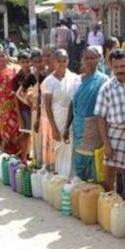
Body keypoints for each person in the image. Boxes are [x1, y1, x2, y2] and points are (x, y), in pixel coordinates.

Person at [95, 49, 125, 197]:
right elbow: (100, 117)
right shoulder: (106, 88)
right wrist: (106, 144)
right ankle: (108, 206)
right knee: (109, 176)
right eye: (116, 67)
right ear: (111, 66)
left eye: (122, 66)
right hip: (113, 134)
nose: (119, 70)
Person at [69, 47, 109, 181]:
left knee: (93, 161)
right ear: (82, 60)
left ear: (98, 60)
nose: (90, 61)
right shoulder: (76, 81)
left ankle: (93, 193)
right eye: (86, 58)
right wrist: (65, 127)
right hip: (78, 126)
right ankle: (80, 191)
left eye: (92, 58)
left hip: (95, 127)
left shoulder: (104, 80)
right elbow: (72, 105)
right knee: (79, 161)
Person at [41, 49, 80, 178]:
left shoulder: (74, 78)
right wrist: (53, 128)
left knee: (72, 148)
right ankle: (61, 178)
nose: (62, 64)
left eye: (64, 61)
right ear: (54, 61)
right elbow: (47, 106)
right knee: (60, 148)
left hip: (72, 119)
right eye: (59, 61)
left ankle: (71, 177)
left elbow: (75, 100)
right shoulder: (49, 81)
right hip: (57, 119)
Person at [12, 51, 32, 158]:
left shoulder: (35, 74)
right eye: (23, 62)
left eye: (28, 61)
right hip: (24, 110)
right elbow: (16, 98)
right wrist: (19, 115)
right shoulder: (16, 78)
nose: (26, 64)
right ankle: (23, 157)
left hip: (35, 109)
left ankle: (30, 154)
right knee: (25, 134)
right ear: (19, 62)